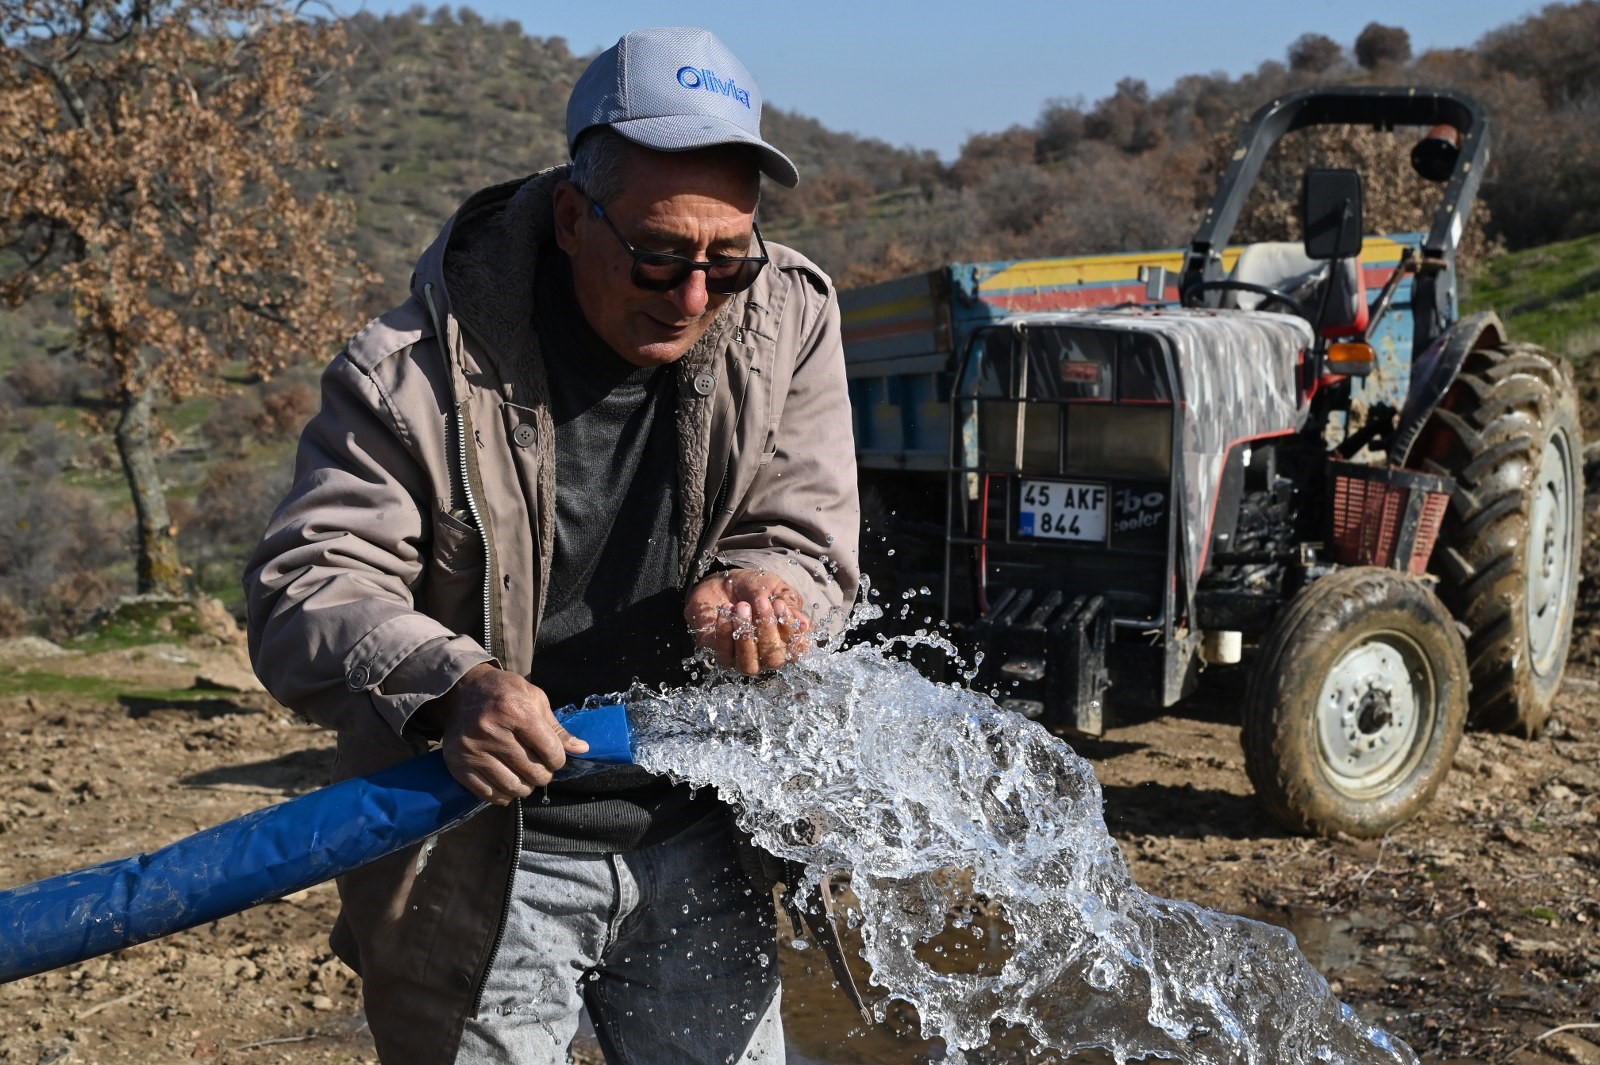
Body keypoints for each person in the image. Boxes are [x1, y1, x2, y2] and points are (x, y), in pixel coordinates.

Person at [244, 26, 859, 1065]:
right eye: (661, 257)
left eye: (727, 260)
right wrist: (454, 684)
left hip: (701, 830)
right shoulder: (411, 369)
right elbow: (312, 581)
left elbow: (804, 528)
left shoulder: (785, 314)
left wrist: (767, 586)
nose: (695, 296)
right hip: (481, 848)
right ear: (576, 218)